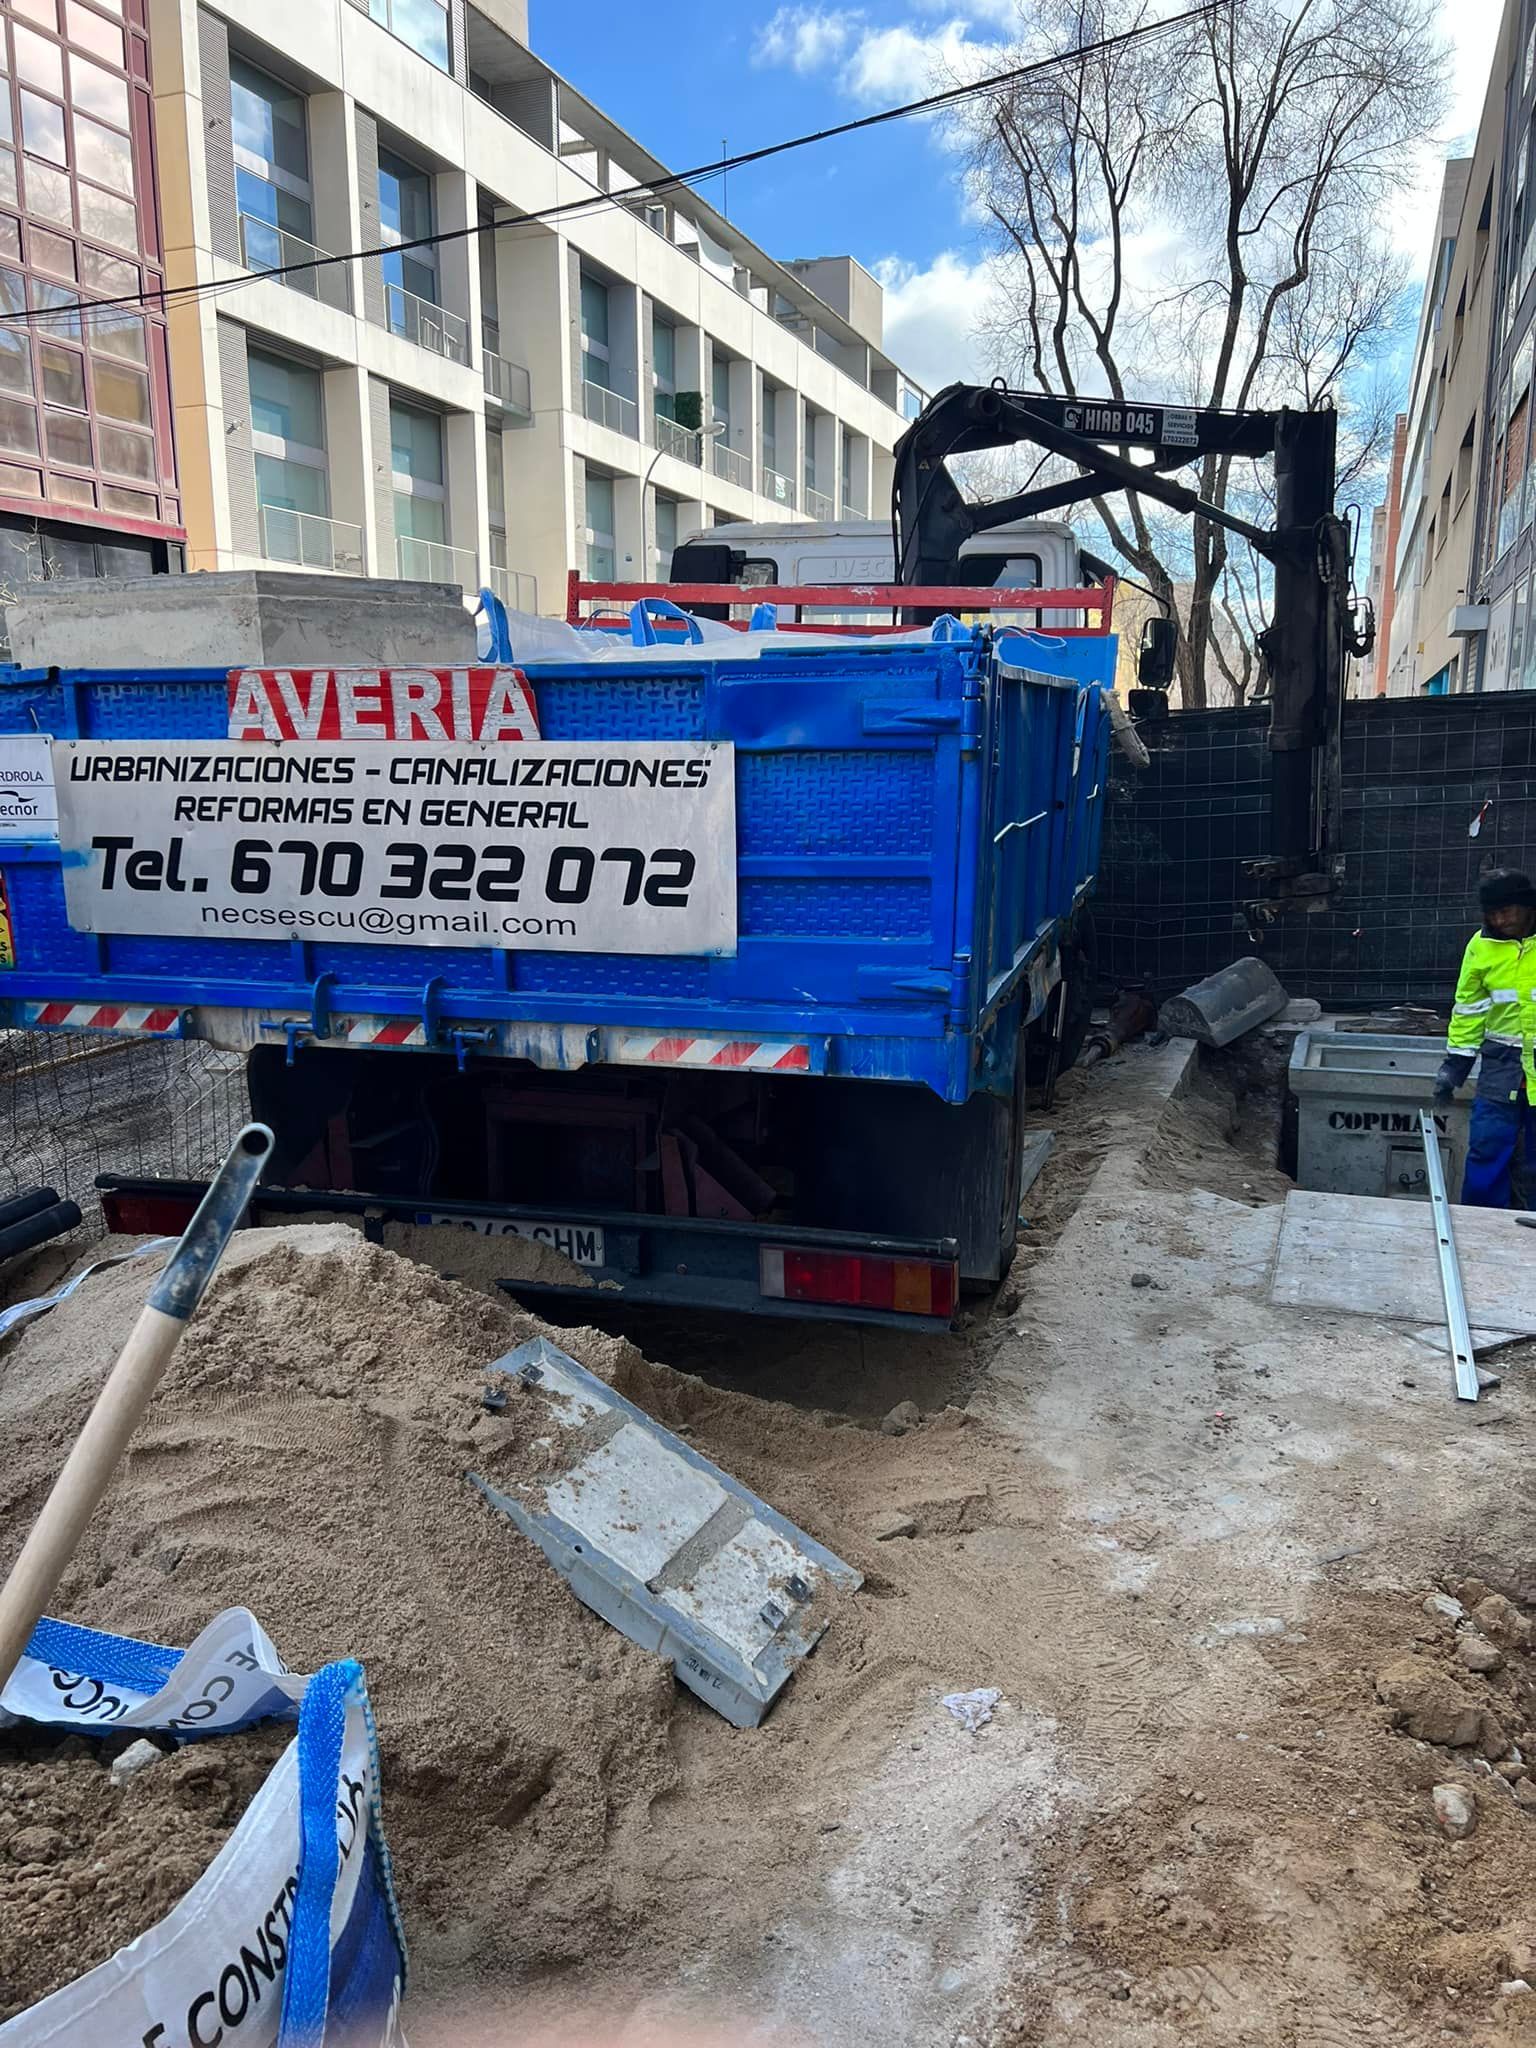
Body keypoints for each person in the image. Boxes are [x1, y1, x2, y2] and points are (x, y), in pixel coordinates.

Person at [1435, 868, 1536, 1207]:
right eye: (1492, 913)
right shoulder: (1481, 947)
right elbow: (1469, 1009)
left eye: (1505, 910)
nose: (1498, 919)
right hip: (1501, 1065)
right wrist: (1456, 1064)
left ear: (1526, 907)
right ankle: (1481, 1225)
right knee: (1487, 1148)